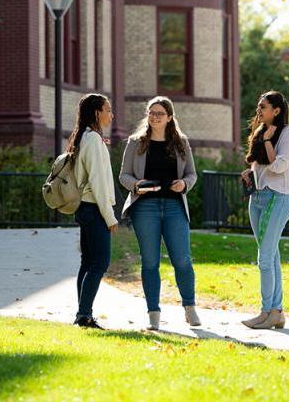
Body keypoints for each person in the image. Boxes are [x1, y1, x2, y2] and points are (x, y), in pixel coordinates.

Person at [119, 96, 200, 330]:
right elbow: (124, 175)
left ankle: (189, 307)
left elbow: (192, 174)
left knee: (182, 260)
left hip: (174, 206)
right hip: (145, 207)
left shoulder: (181, 143)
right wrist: (137, 184)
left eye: (160, 113)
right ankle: (153, 313)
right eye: (151, 112)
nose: (154, 116)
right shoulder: (135, 142)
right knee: (150, 262)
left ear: (170, 117)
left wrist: (184, 184)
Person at [241, 91, 289, 329]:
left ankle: (267, 311)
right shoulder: (260, 131)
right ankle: (277, 312)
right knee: (270, 254)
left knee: (264, 258)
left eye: (263, 107)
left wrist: (266, 141)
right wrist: (250, 174)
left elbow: (280, 167)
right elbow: (259, 164)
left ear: (277, 110)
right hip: (258, 197)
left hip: (279, 197)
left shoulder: (287, 134)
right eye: (258, 106)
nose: (259, 110)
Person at [67, 93, 118, 329]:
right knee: (99, 263)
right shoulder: (94, 141)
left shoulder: (84, 138)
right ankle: (84, 315)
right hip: (94, 209)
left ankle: (82, 313)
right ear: (97, 112)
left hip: (85, 208)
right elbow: (98, 183)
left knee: (87, 263)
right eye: (108, 109)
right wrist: (110, 217)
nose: (111, 114)